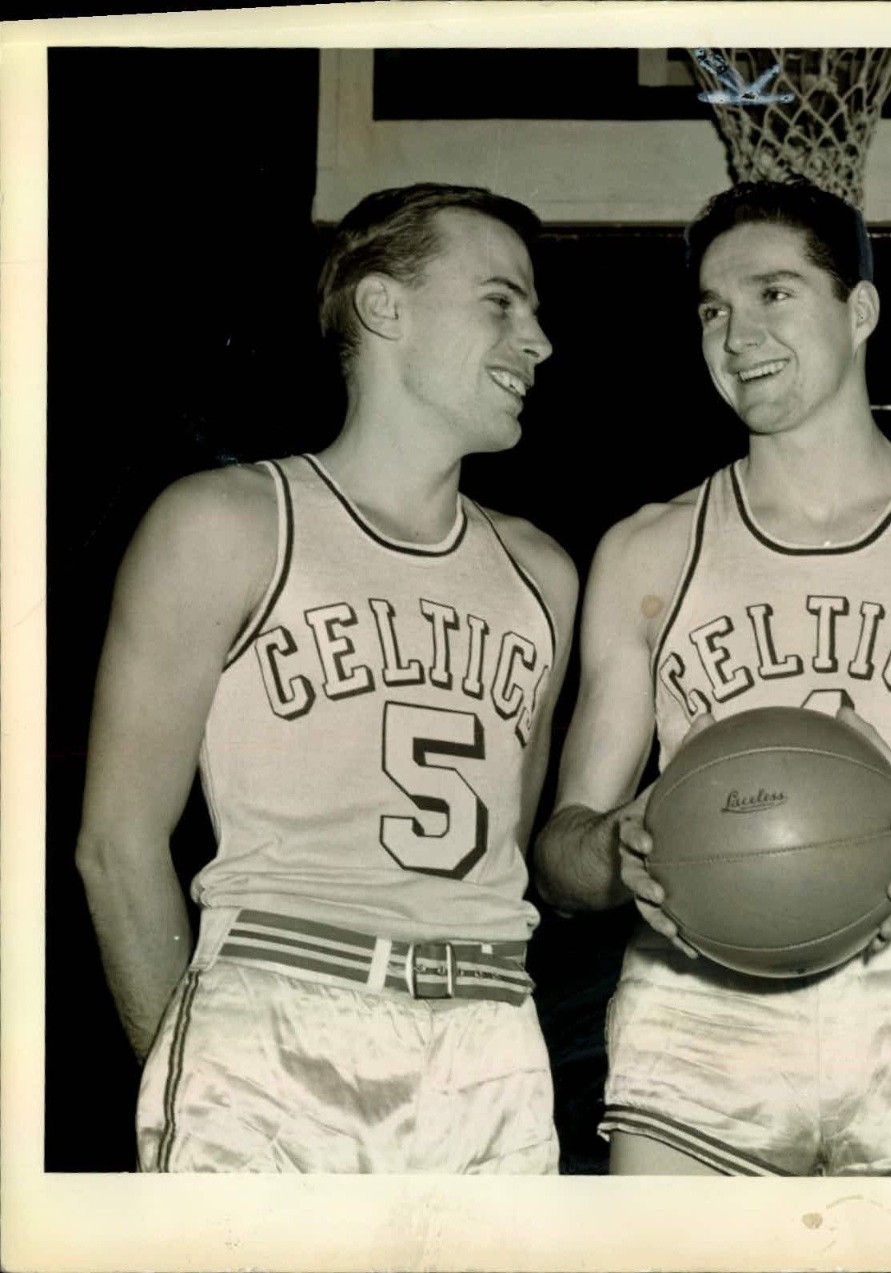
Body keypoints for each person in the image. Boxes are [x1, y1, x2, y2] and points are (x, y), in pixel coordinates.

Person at [533, 179, 891, 1177]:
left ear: (860, 308)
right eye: (714, 308)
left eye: (774, 294)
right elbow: (560, 857)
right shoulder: (645, 550)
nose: (737, 333)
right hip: (699, 979)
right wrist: (623, 850)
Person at [75, 183, 577, 1173]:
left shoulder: (543, 574)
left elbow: (507, 841)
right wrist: (192, 1069)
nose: (539, 341)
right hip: (276, 1015)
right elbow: (116, 846)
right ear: (384, 307)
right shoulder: (225, 523)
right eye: (500, 302)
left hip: (491, 1033)